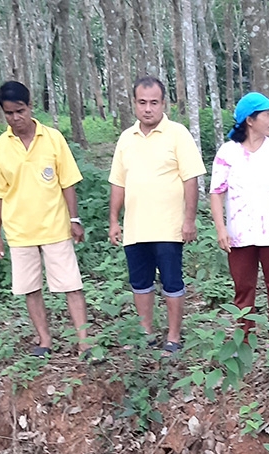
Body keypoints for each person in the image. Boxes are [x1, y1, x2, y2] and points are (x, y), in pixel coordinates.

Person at [0, 80, 90, 357]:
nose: (15, 118)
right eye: (8, 113)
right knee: (30, 288)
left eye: (20, 111)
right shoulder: (0, 147)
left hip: (55, 226)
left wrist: (75, 219)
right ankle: (44, 340)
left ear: (30, 107)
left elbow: (68, 183)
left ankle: (84, 341)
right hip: (19, 231)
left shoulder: (53, 139)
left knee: (71, 285)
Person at [108, 77, 206, 354]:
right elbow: (118, 182)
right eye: (142, 103)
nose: (148, 109)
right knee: (140, 283)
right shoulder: (126, 138)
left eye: (154, 103)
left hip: (169, 227)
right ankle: (146, 334)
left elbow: (190, 179)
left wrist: (189, 219)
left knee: (172, 282)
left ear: (164, 104)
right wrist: (114, 220)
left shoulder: (178, 134)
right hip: (136, 227)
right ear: (134, 104)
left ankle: (173, 337)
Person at [208, 92, 269, 347]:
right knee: (243, 288)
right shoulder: (228, 153)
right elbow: (216, 193)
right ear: (250, 120)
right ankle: (244, 339)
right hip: (240, 234)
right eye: (267, 114)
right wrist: (221, 229)